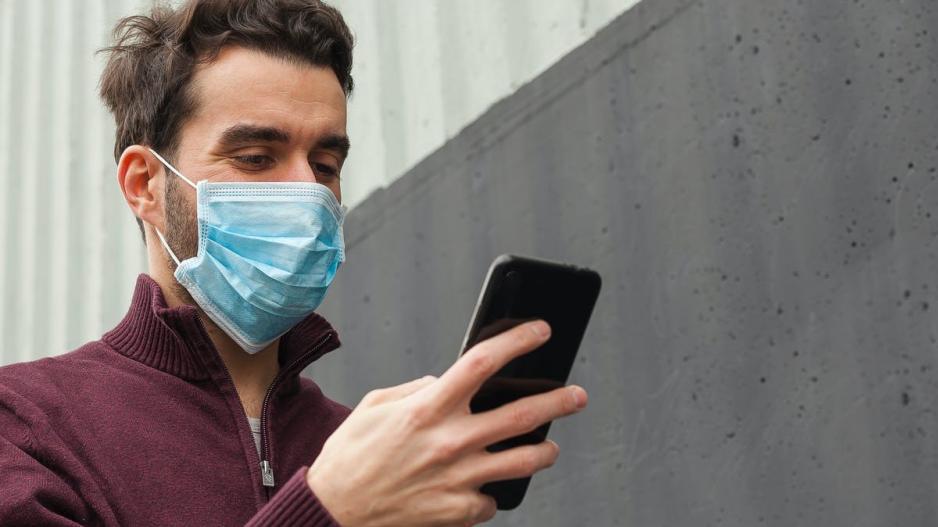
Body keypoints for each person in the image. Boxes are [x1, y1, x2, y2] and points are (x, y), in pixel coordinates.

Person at [0, 0, 589, 525]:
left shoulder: (364, 451)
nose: (308, 193)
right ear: (144, 184)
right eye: (257, 158)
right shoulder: (26, 423)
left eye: (326, 165)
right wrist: (328, 511)